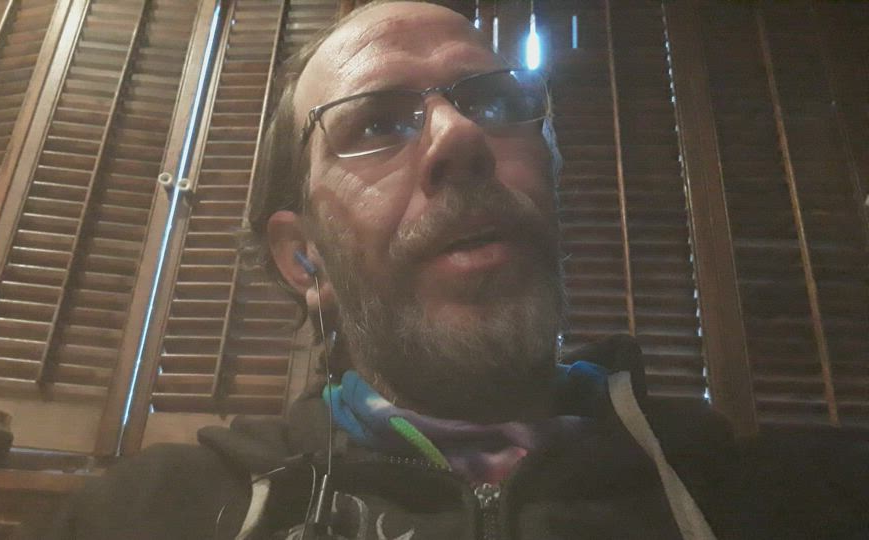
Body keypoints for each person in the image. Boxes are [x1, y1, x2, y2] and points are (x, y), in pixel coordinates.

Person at [46, 2, 868, 539]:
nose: (461, 135)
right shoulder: (137, 519)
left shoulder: (794, 503)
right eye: (378, 122)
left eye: (496, 102)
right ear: (304, 258)